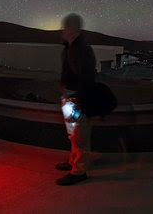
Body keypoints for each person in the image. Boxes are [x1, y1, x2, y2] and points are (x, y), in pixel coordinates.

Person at [56, 13, 97, 186]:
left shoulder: (81, 48)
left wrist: (79, 97)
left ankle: (79, 171)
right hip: (69, 96)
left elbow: (87, 75)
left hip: (76, 98)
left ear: (72, 28)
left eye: (65, 27)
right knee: (73, 134)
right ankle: (73, 162)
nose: (62, 31)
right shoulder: (71, 47)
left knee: (80, 136)